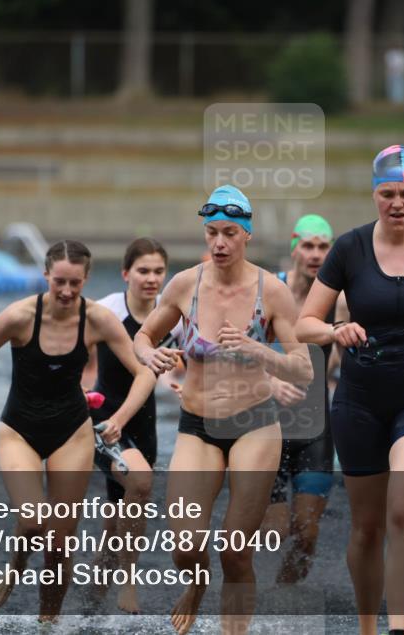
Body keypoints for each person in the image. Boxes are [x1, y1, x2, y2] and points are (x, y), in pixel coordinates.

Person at [295, 145, 404, 635]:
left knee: (402, 508)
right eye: (387, 193)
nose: (397, 203)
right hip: (359, 400)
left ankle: (401, 627)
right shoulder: (349, 249)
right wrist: (337, 330)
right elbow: (305, 323)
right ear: (374, 195)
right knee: (367, 525)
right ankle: (366, 627)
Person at [0, 240, 154, 623]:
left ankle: (47, 623)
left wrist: (121, 417)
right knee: (34, 522)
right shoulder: (19, 316)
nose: (67, 292)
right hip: (19, 429)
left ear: (86, 280)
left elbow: (144, 371)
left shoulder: (98, 319)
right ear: (46, 276)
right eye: (59, 282)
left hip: (73, 432)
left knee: (59, 544)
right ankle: (15, 566)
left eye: (75, 283)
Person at [134, 185, 313, 635]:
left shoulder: (270, 291)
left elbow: (303, 369)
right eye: (212, 232)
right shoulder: (184, 285)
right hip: (197, 426)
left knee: (234, 551)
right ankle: (195, 587)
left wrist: (257, 348)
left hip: (255, 424)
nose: (219, 243)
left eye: (229, 233)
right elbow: (143, 336)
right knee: (185, 546)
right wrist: (148, 356)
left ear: (246, 235)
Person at [81, 237, 183, 614]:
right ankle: (129, 586)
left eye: (159, 271)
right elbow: (75, 347)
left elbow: (189, 360)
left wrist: (183, 388)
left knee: (115, 526)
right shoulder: (106, 309)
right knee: (139, 483)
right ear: (126, 273)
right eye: (143, 270)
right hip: (106, 422)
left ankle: (90, 605)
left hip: (146, 424)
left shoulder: (171, 315)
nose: (151, 278)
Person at [261, 214, 345, 584]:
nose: (315, 254)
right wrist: (267, 382)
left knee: (306, 535)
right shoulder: (268, 292)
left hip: (315, 429)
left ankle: (284, 603)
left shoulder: (339, 303)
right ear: (294, 248)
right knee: (274, 531)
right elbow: (235, 353)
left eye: (323, 247)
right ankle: (255, 596)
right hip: (264, 427)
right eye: (308, 245)